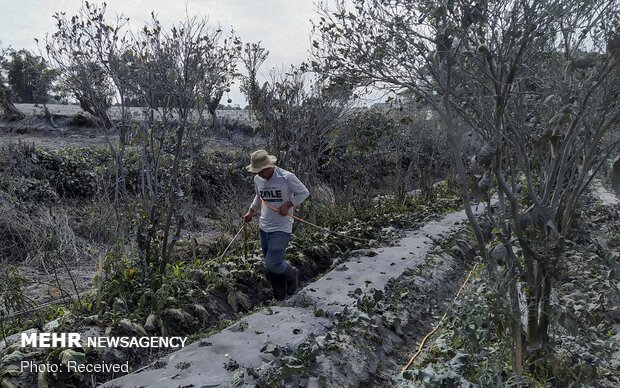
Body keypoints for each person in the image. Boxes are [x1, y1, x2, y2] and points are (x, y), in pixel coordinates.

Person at [243, 150, 310, 300]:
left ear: (268, 167)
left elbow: (304, 193)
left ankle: (292, 273)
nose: (258, 174)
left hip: (281, 227)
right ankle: (280, 295)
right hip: (264, 226)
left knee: (273, 263)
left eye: (260, 171)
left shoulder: (286, 178)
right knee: (270, 267)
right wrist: (251, 211)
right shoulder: (258, 180)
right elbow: (259, 196)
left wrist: (289, 205)